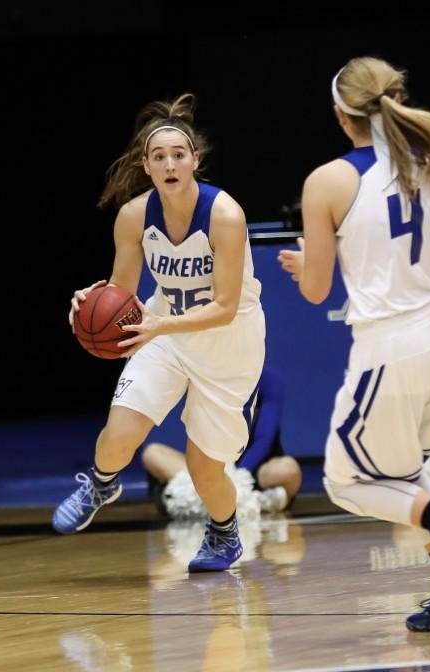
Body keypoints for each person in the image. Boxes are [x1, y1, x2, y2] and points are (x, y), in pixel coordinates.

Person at [278, 57, 430, 632]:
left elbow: (314, 291)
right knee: (402, 472)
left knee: (346, 481)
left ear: (340, 116)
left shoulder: (328, 180)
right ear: (398, 100)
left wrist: (313, 263)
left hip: (393, 342)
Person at [53, 93, 266, 576]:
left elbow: (226, 306)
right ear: (146, 166)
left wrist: (158, 324)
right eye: (158, 157)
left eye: (178, 155)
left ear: (195, 160)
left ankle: (224, 531)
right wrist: (92, 301)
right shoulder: (133, 217)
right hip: (164, 329)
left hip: (228, 340)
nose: (169, 164)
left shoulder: (225, 215)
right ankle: (102, 483)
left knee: (203, 467)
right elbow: (123, 292)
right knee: (117, 437)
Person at [142, 367, 302, 513]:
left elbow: (263, 441)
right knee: (152, 453)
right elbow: (198, 432)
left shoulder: (269, 381)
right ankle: (224, 502)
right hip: (206, 469)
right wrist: (212, 475)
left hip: (254, 471)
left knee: (289, 469)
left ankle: (212, 503)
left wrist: (238, 477)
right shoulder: (201, 378)